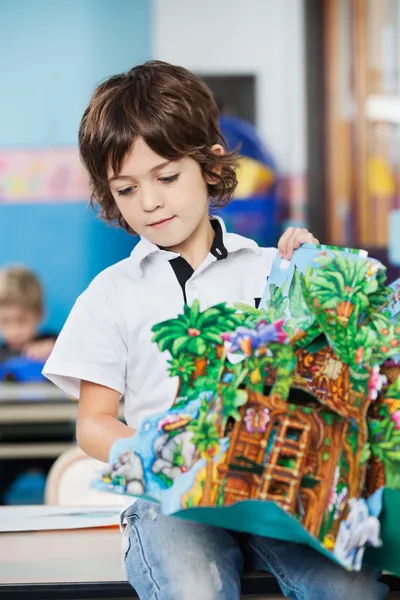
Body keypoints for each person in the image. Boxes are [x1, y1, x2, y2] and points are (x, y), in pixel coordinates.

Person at [43, 61, 388, 600]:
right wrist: (166, 448)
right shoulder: (110, 294)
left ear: (209, 163)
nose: (150, 202)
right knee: (193, 587)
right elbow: (93, 424)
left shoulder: (267, 269)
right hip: (170, 500)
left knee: (351, 586)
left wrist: (312, 284)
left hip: (273, 498)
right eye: (127, 189)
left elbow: (323, 381)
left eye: (166, 177)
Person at [0, 266, 57, 364]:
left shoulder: (56, 344)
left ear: (40, 313)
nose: (14, 332)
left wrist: (54, 351)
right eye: (5, 321)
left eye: (22, 320)